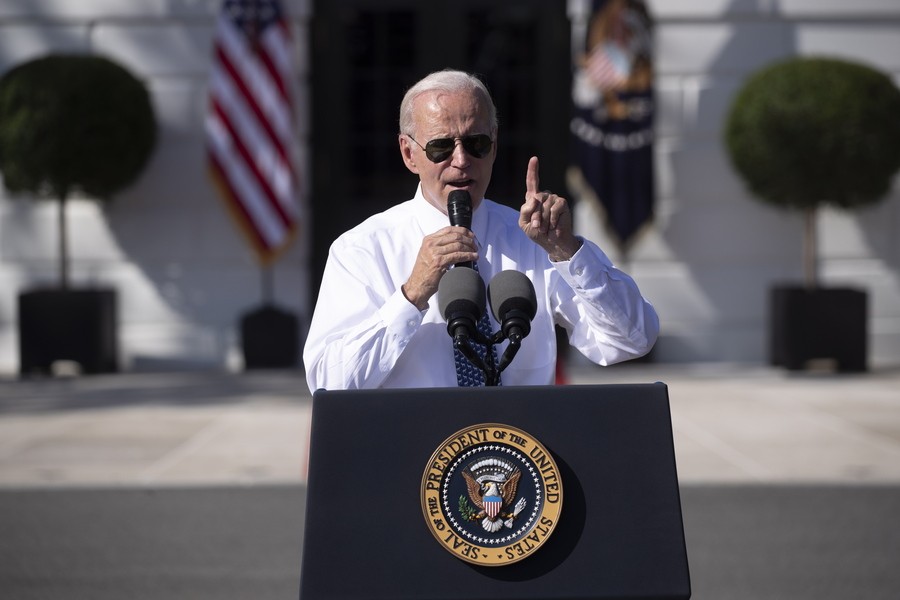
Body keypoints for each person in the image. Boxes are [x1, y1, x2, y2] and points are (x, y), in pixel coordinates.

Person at [303, 69, 658, 391]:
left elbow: (632, 340)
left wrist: (568, 252)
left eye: (476, 144)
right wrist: (411, 296)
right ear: (409, 153)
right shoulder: (363, 249)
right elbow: (329, 383)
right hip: (417, 442)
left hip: (523, 440)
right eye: (441, 147)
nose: (461, 160)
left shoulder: (534, 242)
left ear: (494, 144)